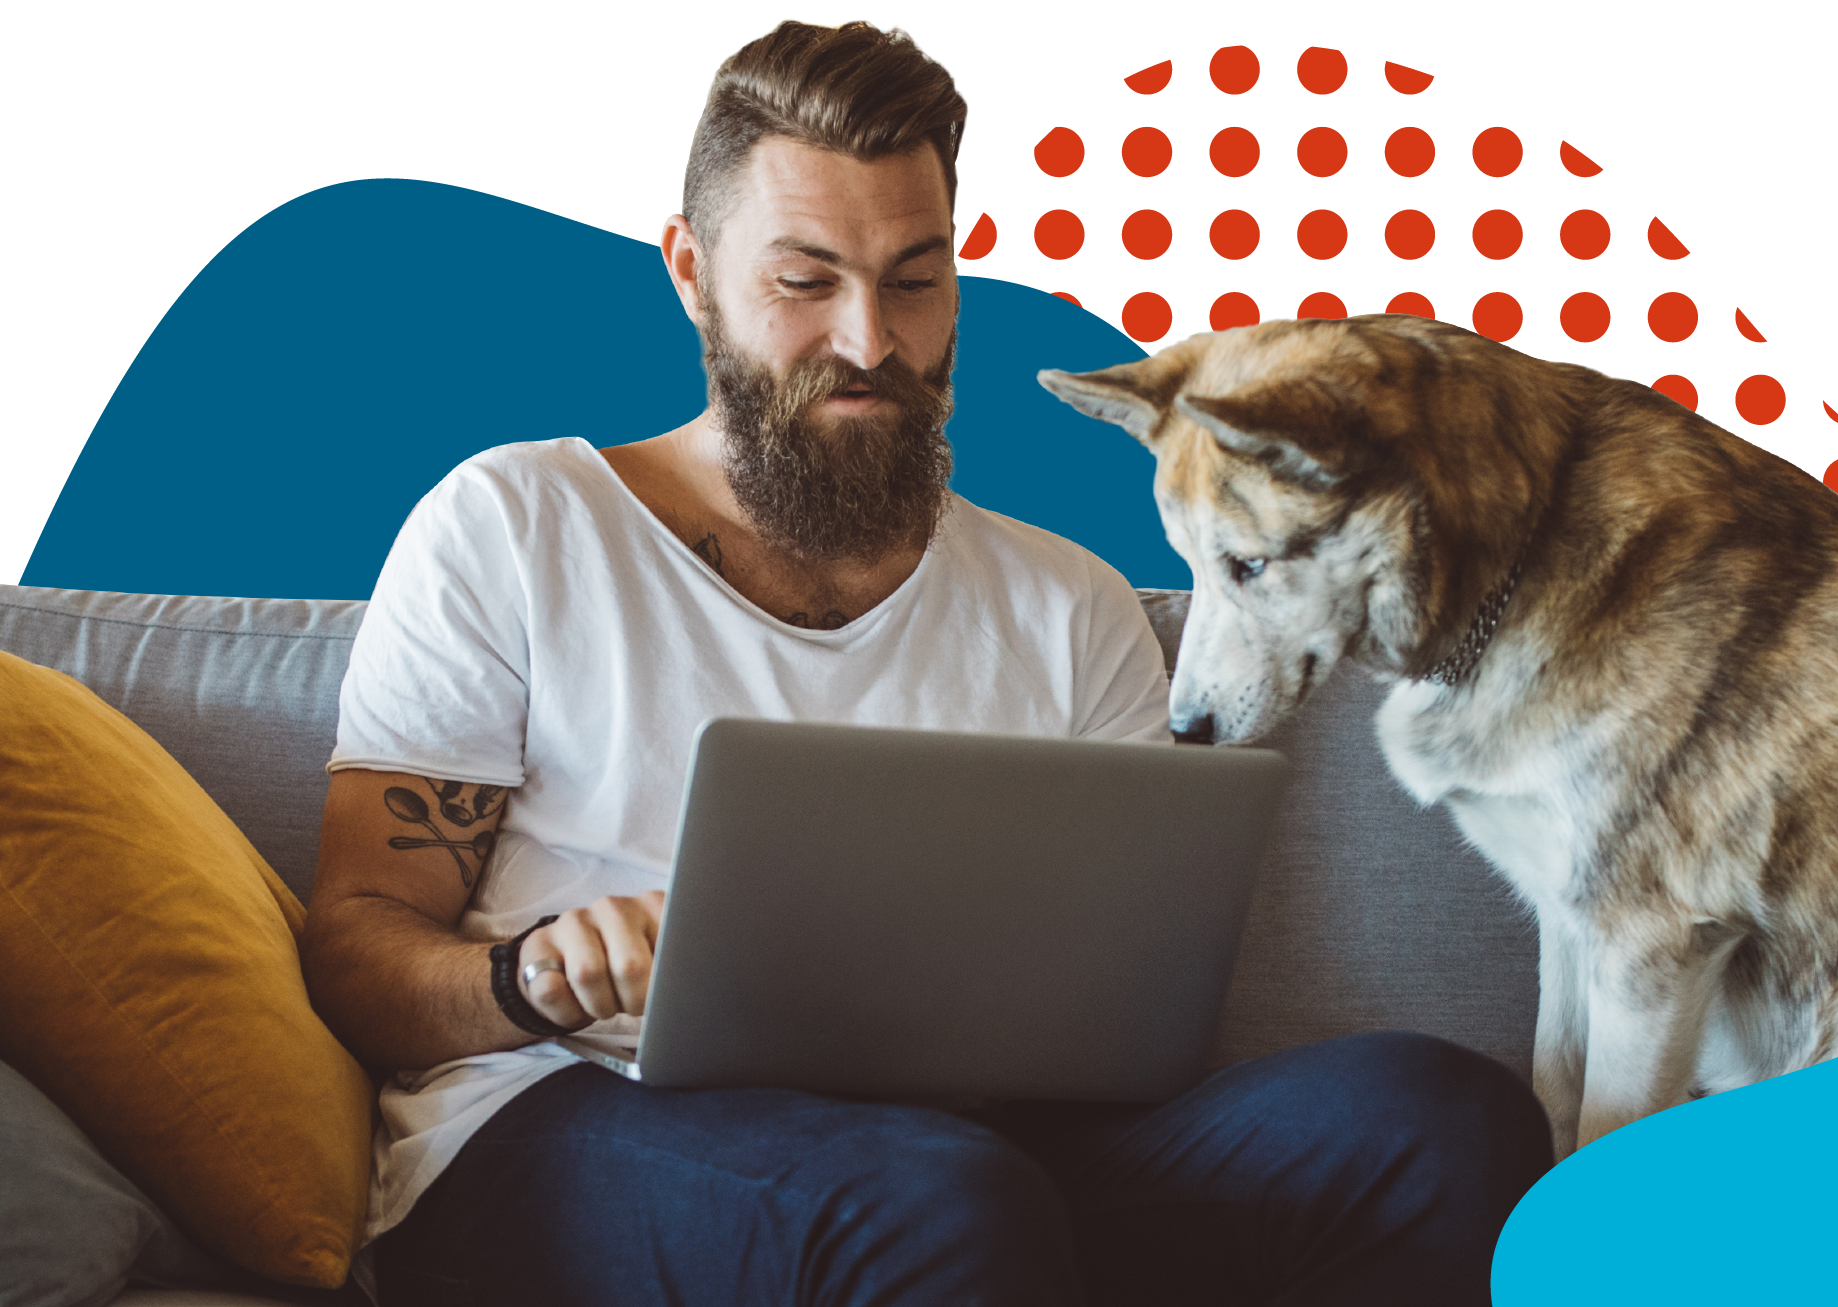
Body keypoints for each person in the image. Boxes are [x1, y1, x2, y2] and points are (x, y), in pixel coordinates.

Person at [300, 19, 1550, 1306]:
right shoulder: (515, 522)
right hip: (562, 1122)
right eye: (805, 280)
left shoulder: (1068, 603)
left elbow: (1127, 1007)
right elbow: (356, 950)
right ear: (689, 270)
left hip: (965, 1156)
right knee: (936, 1197)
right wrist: (531, 976)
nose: (870, 339)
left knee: (1435, 1117)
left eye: (913, 278)